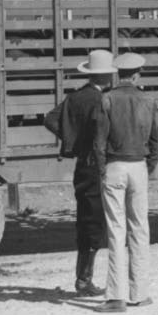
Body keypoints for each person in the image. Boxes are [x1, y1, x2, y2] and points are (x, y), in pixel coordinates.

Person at [92, 51, 158, 313]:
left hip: (114, 166)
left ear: (117, 74)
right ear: (136, 75)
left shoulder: (106, 99)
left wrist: (102, 170)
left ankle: (116, 297)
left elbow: (99, 141)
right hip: (139, 167)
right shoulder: (149, 100)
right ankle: (140, 293)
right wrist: (149, 167)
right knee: (140, 229)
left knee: (116, 231)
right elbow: (157, 140)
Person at [43, 49, 115, 297]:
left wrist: (71, 140)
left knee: (86, 219)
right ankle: (84, 281)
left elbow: (50, 119)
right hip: (98, 165)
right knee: (97, 222)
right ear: (105, 76)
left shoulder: (75, 98)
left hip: (82, 165)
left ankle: (83, 278)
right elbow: (100, 136)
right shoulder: (102, 101)